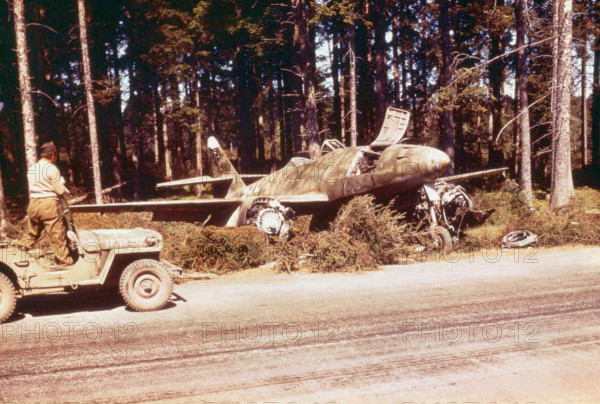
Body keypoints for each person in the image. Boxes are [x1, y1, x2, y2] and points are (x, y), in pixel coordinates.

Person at [17, 141, 73, 266]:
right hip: (48, 204)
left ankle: (19, 252)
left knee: (32, 232)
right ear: (53, 154)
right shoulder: (52, 168)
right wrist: (64, 187)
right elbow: (59, 190)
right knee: (57, 236)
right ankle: (65, 262)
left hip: (33, 205)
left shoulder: (33, 168)